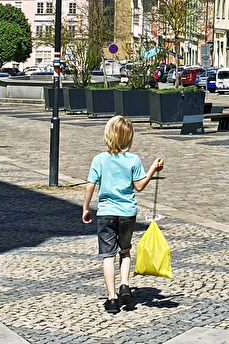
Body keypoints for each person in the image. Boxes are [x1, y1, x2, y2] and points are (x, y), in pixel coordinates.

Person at [82, 115, 164, 314]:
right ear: (129, 138)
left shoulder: (99, 159)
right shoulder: (133, 160)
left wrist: (86, 207)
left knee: (107, 255)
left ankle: (111, 298)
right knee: (125, 250)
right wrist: (153, 169)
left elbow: (90, 186)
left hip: (106, 213)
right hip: (127, 212)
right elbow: (139, 186)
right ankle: (125, 285)